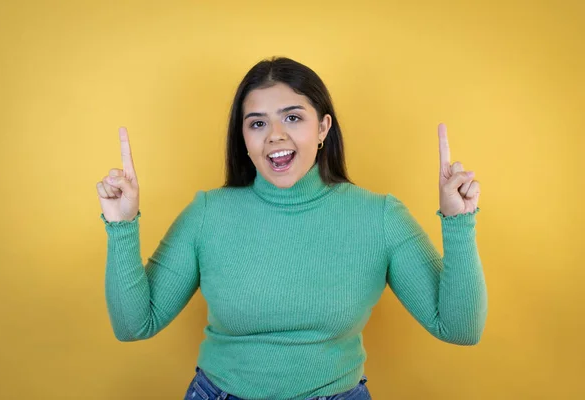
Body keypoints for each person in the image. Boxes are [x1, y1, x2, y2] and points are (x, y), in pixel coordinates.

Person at [96, 56, 487, 400]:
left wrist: (458, 222)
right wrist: (122, 225)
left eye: (293, 117)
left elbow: (459, 328)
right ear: (243, 138)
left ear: (323, 128)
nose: (275, 136)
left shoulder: (379, 217)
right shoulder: (208, 215)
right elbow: (135, 324)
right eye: (257, 123)